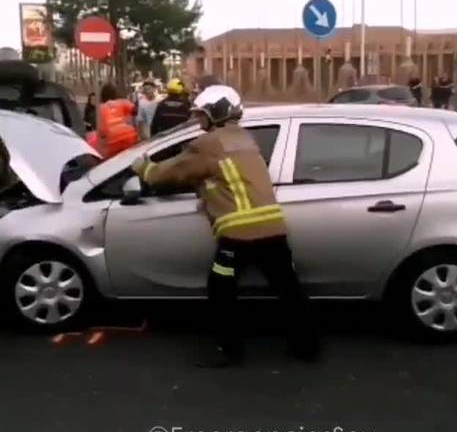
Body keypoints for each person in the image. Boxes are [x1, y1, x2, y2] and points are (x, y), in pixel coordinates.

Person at [131, 85, 319, 368]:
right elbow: (225, 177)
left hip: (238, 233)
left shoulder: (208, 144)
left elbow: (170, 173)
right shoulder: (245, 139)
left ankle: (227, 350)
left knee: (221, 290)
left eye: (201, 114)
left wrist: (142, 167)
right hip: (272, 227)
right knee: (288, 288)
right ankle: (307, 347)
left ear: (214, 113)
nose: (198, 120)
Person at [94, 83, 139, 159]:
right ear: (115, 94)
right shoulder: (122, 102)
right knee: (130, 158)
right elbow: (135, 111)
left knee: (116, 160)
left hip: (113, 139)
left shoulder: (100, 108)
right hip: (128, 134)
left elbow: (101, 129)